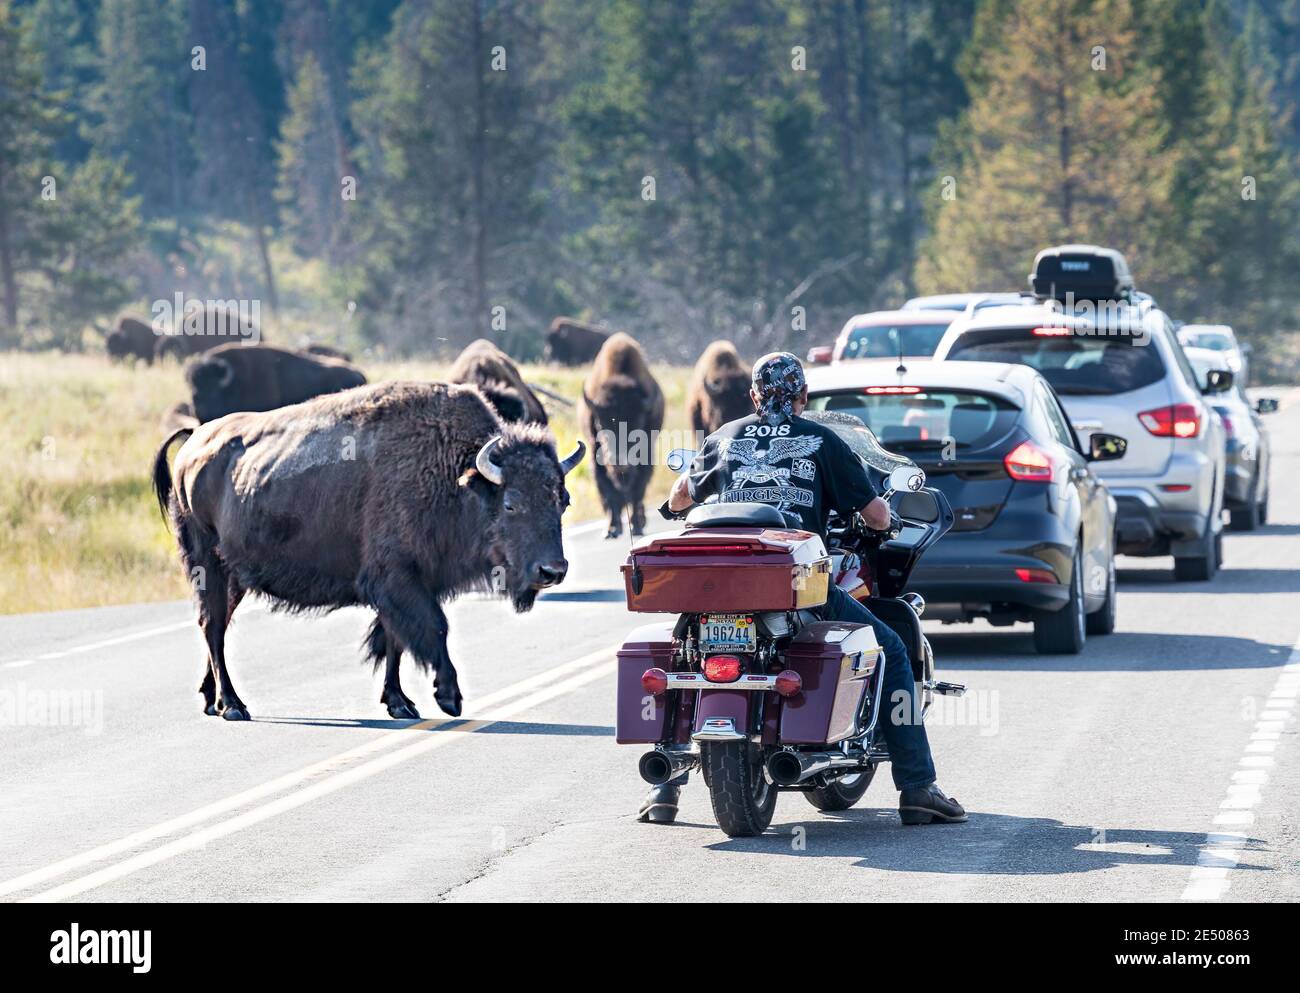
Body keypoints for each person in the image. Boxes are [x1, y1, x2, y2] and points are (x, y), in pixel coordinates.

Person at [639, 351, 966, 827]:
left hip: (718, 583)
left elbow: (680, 498)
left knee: (680, 658)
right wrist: (890, 520)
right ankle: (918, 789)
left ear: (753, 397)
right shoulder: (821, 439)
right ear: (803, 397)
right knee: (892, 649)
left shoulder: (724, 437)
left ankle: (662, 791)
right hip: (790, 582)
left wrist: (684, 503)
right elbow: (874, 514)